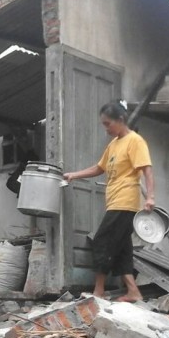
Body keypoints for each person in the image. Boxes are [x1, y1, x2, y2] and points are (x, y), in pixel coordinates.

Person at [63, 101, 155, 302]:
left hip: (125, 202)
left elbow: (146, 169)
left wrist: (150, 197)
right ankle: (133, 291)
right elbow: (99, 168)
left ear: (120, 120)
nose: (105, 129)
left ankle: (99, 291)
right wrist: (73, 175)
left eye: (107, 124)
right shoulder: (113, 145)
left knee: (101, 242)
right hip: (114, 202)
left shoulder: (135, 141)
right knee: (122, 248)